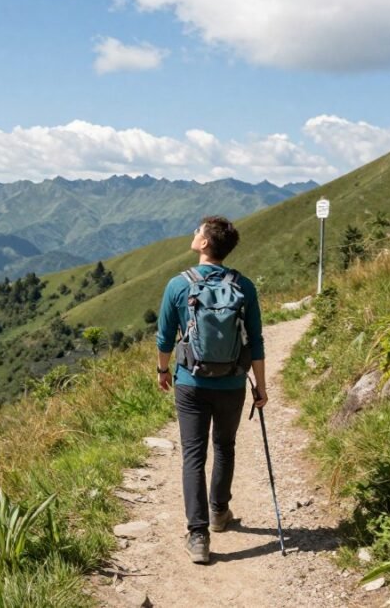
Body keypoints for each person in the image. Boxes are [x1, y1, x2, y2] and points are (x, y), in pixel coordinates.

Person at [155, 215, 266, 564]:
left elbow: (163, 337)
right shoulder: (244, 286)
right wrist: (260, 387)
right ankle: (220, 513)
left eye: (197, 231)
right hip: (233, 382)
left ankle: (198, 536)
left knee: (193, 454)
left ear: (205, 243)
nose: (194, 233)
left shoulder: (178, 285)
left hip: (190, 382)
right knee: (225, 445)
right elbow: (257, 341)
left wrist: (162, 369)